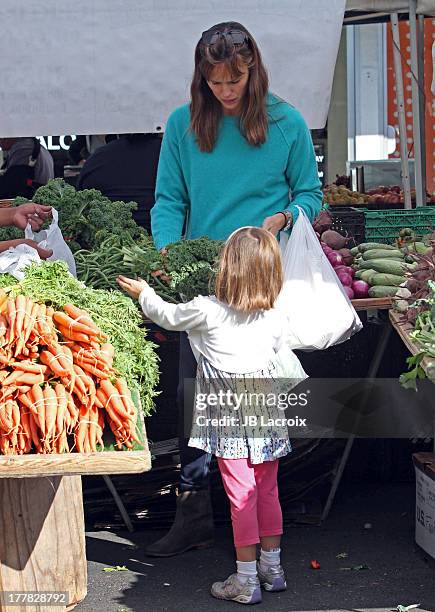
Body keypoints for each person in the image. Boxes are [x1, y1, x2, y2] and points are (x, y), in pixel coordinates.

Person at [149, 21, 322, 556]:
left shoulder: (287, 122)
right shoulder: (183, 124)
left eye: (236, 79)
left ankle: (258, 519)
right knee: (194, 399)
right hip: (202, 280)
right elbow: (168, 201)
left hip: (262, 282)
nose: (226, 91)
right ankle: (197, 513)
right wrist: (166, 253)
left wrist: (283, 219)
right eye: (215, 80)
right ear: (202, 77)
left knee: (258, 400)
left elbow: (311, 196)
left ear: (253, 71)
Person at [117, 227, 307, 605]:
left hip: (228, 416)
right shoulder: (272, 315)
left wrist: (145, 293)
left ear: (227, 269)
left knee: (241, 497)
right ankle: (273, 568)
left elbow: (168, 316)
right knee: (267, 490)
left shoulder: (207, 309)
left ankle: (246, 579)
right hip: (266, 411)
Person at [76, 134, 162, 231]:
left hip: (108, 239)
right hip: (165, 237)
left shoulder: (96, 159)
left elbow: (80, 201)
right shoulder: (171, 154)